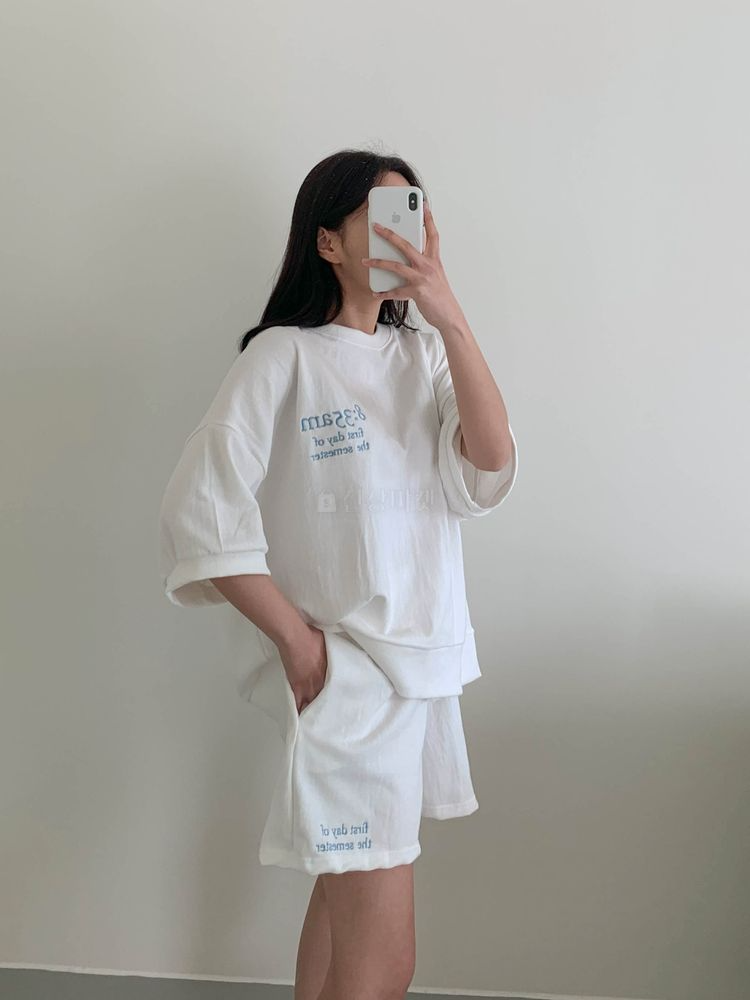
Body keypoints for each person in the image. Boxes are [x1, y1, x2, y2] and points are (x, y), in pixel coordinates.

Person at [158, 148, 518, 1000]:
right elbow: (198, 506)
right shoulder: (283, 357)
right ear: (328, 242)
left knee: (341, 909)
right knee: (384, 954)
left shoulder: (425, 357)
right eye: (382, 218)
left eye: (413, 215)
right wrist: (298, 643)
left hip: (423, 672)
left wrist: (448, 313)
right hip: (351, 679)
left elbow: (490, 464)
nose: (405, 235)